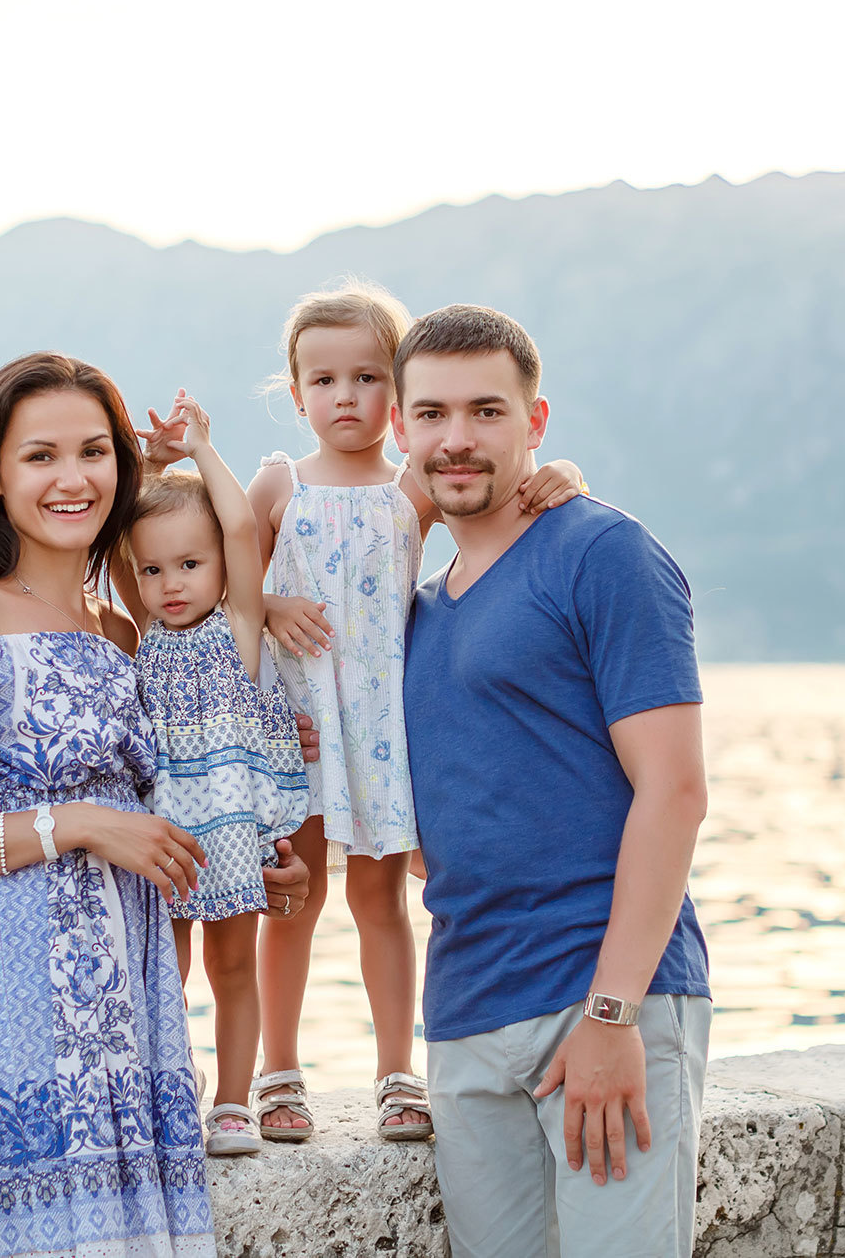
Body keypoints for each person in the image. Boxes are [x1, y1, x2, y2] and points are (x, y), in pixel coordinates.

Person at [0, 353, 311, 1258]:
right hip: (9, 994)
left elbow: (173, 794)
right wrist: (78, 824)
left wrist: (255, 862)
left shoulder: (127, 629)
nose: (73, 477)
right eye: (40, 455)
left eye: (94, 451)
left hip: (132, 1005)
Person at [394, 306, 711, 1257]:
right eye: (432, 413)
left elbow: (675, 791)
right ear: (401, 428)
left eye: (486, 410)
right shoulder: (412, 614)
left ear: (534, 420)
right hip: (464, 1012)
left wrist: (613, 1012)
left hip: (599, 997)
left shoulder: (601, 553)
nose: (457, 437)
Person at [243, 282, 587, 1143]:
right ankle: (278, 1070)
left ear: (396, 398)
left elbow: (507, 498)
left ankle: (398, 1069)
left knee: (381, 899)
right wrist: (271, 603)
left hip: (379, 729)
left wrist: (568, 474)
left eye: (367, 377)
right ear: (297, 393)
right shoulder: (279, 482)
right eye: (324, 380)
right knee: (292, 898)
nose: (345, 396)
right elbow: (220, 582)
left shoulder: (411, 489)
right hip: (299, 726)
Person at [124, 392, 310, 1157]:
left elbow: (237, 526)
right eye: (154, 569)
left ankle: (233, 1102)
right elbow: (120, 535)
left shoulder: (239, 627)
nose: (171, 583)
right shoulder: (142, 633)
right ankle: (173, 1088)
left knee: (232, 966)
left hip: (231, 839)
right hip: (164, 838)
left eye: (190, 564)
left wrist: (200, 449)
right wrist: (146, 471)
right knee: (163, 971)